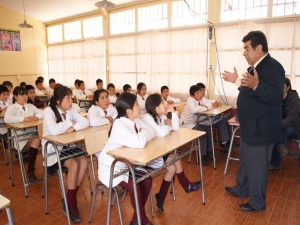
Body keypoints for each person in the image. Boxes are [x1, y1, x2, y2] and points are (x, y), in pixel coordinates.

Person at [222, 31, 285, 212]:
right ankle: (241, 189)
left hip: (262, 130)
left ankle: (258, 202)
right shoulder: (255, 67)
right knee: (245, 162)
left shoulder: (273, 67)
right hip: (251, 127)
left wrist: (257, 85)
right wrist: (236, 82)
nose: (244, 53)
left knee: (257, 167)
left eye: (246, 48)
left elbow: (275, 96)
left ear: (258, 48)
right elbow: (249, 92)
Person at [97, 92, 155, 225]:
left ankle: (136, 219)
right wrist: (142, 135)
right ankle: (142, 220)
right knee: (135, 186)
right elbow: (140, 143)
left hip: (126, 164)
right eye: (136, 104)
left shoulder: (135, 120)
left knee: (147, 179)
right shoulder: (119, 125)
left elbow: (151, 131)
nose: (140, 106)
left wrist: (142, 134)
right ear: (129, 111)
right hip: (112, 167)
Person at [141, 93, 201, 212]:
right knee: (175, 157)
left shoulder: (160, 116)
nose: (165, 104)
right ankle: (186, 185)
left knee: (172, 167)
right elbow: (162, 132)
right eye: (162, 103)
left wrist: (173, 113)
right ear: (156, 108)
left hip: (157, 151)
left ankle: (161, 196)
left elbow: (175, 128)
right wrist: (167, 126)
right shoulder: (147, 117)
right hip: (147, 156)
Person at [42, 85, 89, 223]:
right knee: (74, 164)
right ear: (58, 100)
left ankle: (69, 197)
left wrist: (73, 127)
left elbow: (85, 121)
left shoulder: (71, 109)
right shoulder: (48, 111)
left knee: (84, 161)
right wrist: (70, 122)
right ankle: (72, 203)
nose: (71, 101)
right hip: (53, 148)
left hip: (66, 144)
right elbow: (54, 130)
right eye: (67, 98)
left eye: (70, 97)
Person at [4, 86, 43, 182]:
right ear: (16, 97)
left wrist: (36, 117)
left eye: (26, 94)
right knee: (37, 139)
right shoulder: (12, 108)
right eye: (21, 94)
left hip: (32, 133)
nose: (25, 97)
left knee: (45, 139)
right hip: (19, 136)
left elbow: (42, 113)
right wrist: (23, 119)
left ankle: (51, 165)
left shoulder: (30, 106)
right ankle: (30, 171)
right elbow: (7, 119)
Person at [269, 78, 300, 170]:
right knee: (278, 130)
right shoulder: (276, 98)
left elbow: (292, 118)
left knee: (278, 131)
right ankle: (281, 147)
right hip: (282, 127)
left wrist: (278, 126)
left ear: (288, 88)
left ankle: (275, 163)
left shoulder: (295, 100)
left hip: (295, 127)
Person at [196, 82, 230, 151]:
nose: (202, 92)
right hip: (203, 121)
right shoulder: (196, 100)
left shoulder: (203, 98)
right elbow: (206, 105)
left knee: (226, 118)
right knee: (222, 121)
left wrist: (215, 101)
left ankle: (228, 141)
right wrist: (212, 104)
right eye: (201, 91)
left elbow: (208, 101)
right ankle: (224, 143)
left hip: (207, 118)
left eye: (204, 90)